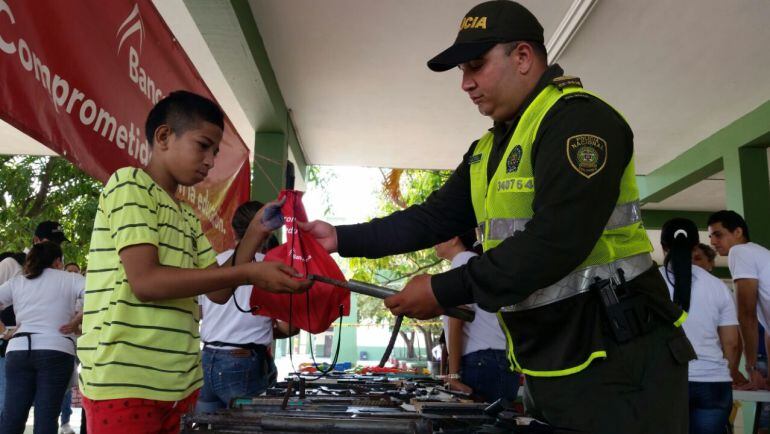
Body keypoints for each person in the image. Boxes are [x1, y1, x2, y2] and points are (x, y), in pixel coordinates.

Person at [301, 2, 693, 432]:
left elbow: (556, 241)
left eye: (476, 66)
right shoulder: (489, 150)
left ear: (523, 57)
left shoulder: (579, 120)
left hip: (620, 357)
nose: (466, 84)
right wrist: (339, 237)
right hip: (552, 357)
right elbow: (432, 218)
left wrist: (443, 288)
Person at [77, 90, 310, 434]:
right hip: (125, 381)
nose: (210, 161)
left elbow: (218, 290)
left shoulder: (186, 215)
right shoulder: (129, 184)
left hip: (178, 385)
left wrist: (257, 230)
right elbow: (146, 282)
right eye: (203, 145)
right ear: (164, 137)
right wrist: (250, 272)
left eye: (215, 152)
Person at [196, 201, 296, 413]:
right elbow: (290, 328)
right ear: (268, 232)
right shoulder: (272, 269)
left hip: (206, 360)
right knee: (249, 426)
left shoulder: (214, 265)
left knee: (204, 426)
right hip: (243, 364)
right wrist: (261, 328)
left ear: (233, 230)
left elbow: (199, 313)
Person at [659, 218, 741, 434]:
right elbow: (731, 343)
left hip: (664, 383)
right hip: (713, 383)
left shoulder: (650, 284)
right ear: (696, 245)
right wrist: (726, 372)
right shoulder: (718, 287)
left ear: (663, 246)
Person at [0, 241, 84, 434]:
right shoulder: (71, 279)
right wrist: (76, 320)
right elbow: (97, 296)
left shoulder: (18, 281)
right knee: (47, 416)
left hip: (19, 348)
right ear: (57, 261)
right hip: (57, 348)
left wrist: (5, 333)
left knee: (12, 416)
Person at [435, 230, 519, 403]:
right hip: (494, 360)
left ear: (454, 237)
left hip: (483, 361)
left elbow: (456, 320)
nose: (433, 242)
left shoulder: (463, 262)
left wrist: (452, 375)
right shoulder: (473, 263)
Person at [708, 210, 770, 391]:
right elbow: (768, 329)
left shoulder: (740, 251)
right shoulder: (760, 253)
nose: (712, 242)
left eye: (718, 235)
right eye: (711, 236)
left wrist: (752, 369)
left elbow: (746, 314)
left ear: (738, 232)